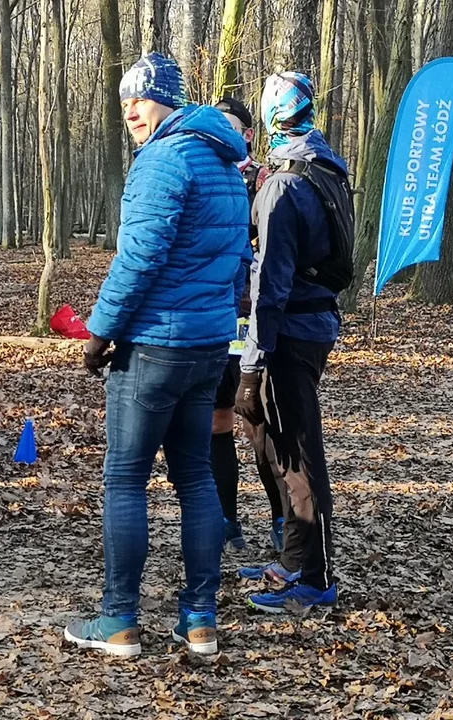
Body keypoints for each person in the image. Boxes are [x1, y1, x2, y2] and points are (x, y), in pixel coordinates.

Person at [63, 53, 252, 658]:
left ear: (166, 99)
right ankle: (200, 620)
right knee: (196, 477)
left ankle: (118, 619)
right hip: (207, 347)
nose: (131, 114)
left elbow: (139, 256)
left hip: (155, 347)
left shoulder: (164, 159)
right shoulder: (226, 161)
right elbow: (236, 261)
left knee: (125, 480)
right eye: (124, 105)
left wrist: (99, 332)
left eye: (139, 101)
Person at [234, 72, 353, 613]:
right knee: (284, 448)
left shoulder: (286, 186)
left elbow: (270, 284)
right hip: (314, 323)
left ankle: (316, 577)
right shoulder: (324, 165)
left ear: (269, 118)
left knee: (300, 457)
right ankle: (292, 559)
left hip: (288, 333)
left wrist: (253, 365)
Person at [209, 96, 286, 553]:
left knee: (260, 421)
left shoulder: (268, 181)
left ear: (248, 134)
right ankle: (226, 522)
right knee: (217, 420)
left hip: (256, 317)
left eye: (231, 125)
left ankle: (282, 520)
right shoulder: (203, 175)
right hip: (215, 317)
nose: (223, 132)